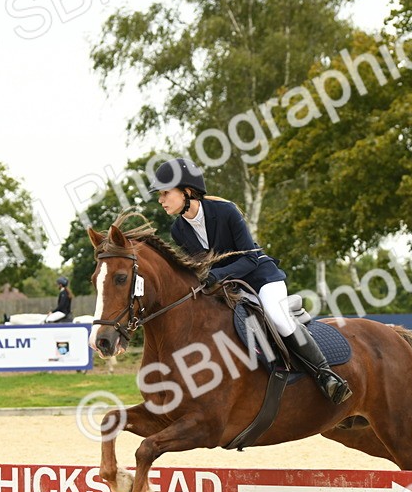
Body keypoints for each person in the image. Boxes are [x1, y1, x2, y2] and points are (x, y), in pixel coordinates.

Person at [148, 158, 351, 403]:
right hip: (229, 287)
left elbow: (250, 260)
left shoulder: (226, 212)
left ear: (187, 192)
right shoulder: (178, 230)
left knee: (277, 317)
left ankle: (326, 376)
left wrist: (217, 275)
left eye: (165, 193)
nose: (161, 200)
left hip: (261, 277)